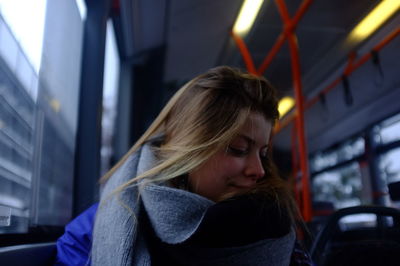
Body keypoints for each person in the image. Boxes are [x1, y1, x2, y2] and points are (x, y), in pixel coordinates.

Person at [55, 66, 312, 266]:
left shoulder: (274, 230)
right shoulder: (92, 235)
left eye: (263, 154)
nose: (259, 170)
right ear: (188, 147)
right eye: (238, 149)